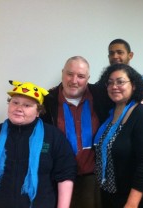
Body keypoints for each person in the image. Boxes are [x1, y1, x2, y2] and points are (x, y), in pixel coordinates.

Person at [0, 80, 77, 208]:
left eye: (27, 105)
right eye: (15, 102)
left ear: (38, 112)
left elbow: (65, 175)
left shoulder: (53, 136)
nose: (19, 108)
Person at [41, 56, 108, 208]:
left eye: (81, 76)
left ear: (88, 78)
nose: (74, 80)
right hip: (57, 178)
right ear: (62, 73)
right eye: (70, 74)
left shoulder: (101, 96)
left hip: (93, 180)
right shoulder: (47, 101)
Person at [94, 63, 143, 208]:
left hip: (133, 199)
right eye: (110, 83)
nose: (114, 86)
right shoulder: (109, 114)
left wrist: (132, 203)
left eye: (120, 82)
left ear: (134, 86)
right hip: (109, 195)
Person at [108, 38, 143, 104]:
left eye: (120, 52)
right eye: (111, 53)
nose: (115, 56)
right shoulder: (104, 84)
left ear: (130, 55)